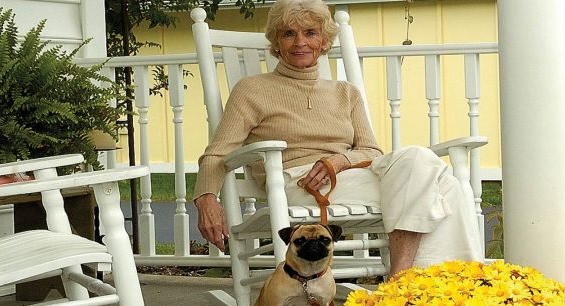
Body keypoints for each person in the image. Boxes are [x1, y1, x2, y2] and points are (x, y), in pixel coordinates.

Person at [192, 0, 483, 277]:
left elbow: (371, 150)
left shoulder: (346, 92)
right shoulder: (251, 90)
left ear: (324, 41)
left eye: (310, 33)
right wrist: (206, 199)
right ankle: (438, 285)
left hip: (353, 175)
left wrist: (340, 160)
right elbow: (218, 152)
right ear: (276, 43)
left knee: (424, 163)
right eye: (289, 34)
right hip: (301, 183)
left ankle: (410, 282)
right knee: (446, 187)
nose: (300, 42)